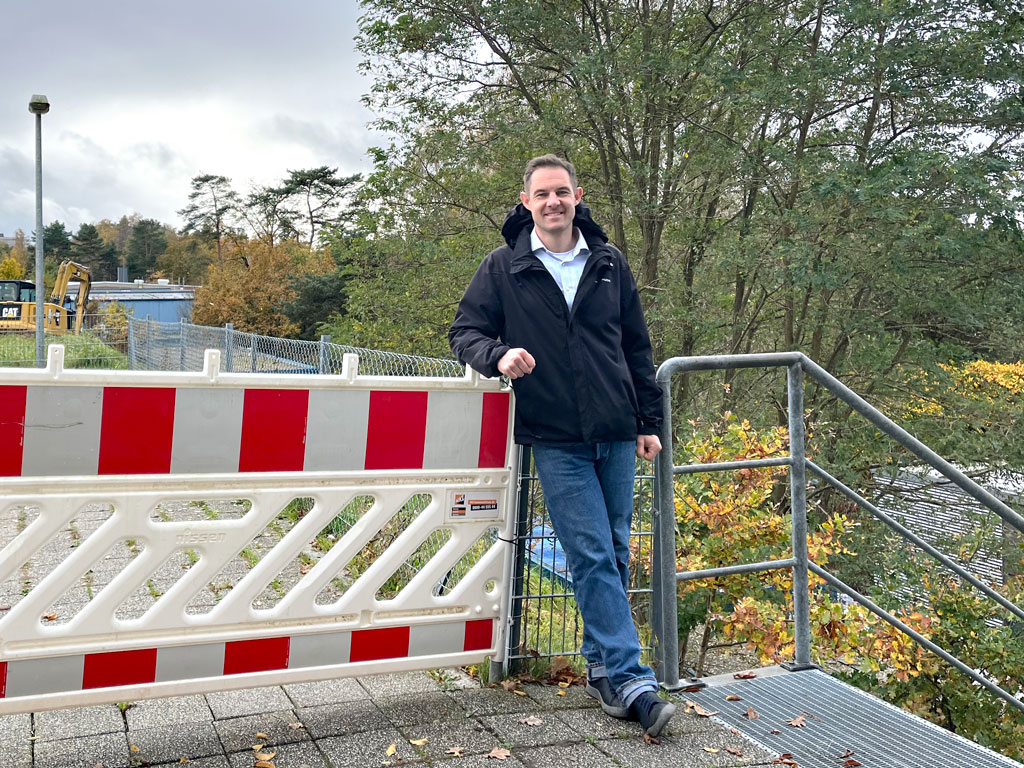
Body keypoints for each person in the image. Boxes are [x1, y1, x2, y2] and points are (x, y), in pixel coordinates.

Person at [449, 154, 675, 738]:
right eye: (542, 194)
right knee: (593, 554)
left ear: (578, 197)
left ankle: (600, 667)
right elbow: (464, 331)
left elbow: (635, 347)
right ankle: (634, 681)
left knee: (617, 549)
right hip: (555, 436)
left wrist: (648, 421)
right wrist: (497, 356)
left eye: (562, 192)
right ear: (526, 203)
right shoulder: (505, 266)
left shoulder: (608, 262)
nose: (553, 202)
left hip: (618, 431)